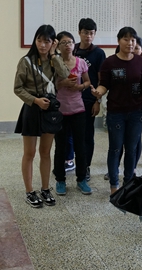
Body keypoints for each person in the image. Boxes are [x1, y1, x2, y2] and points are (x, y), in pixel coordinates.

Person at [14, 24, 69, 208]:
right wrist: (35, 100)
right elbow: (18, 88)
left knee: (45, 152)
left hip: (50, 110)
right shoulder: (26, 61)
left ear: (53, 43)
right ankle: (29, 191)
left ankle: (45, 188)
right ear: (35, 40)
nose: (42, 45)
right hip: (32, 108)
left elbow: (65, 74)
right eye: (39, 40)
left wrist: (54, 55)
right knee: (29, 153)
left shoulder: (55, 60)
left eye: (47, 41)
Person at [91, 27, 142, 194]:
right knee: (115, 149)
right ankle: (114, 186)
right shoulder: (109, 62)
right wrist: (98, 93)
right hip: (116, 112)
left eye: (133, 40)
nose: (130, 43)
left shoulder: (140, 62)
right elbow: (104, 85)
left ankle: (128, 183)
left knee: (132, 149)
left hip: (135, 112)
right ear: (118, 41)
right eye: (126, 39)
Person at [53, 31, 92, 196]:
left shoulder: (81, 62)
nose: (67, 45)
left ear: (74, 45)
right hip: (60, 111)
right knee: (60, 147)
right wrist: (62, 83)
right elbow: (50, 85)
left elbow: (88, 81)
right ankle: (60, 180)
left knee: (80, 146)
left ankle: (81, 179)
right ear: (58, 46)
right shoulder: (54, 63)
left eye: (70, 42)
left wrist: (80, 87)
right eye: (63, 43)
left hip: (78, 110)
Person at [73, 18, 106, 182]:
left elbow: (101, 80)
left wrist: (97, 101)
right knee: (70, 135)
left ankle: (85, 166)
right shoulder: (73, 50)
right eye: (85, 33)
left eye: (91, 33)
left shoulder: (99, 53)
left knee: (87, 135)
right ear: (79, 32)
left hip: (88, 100)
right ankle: (70, 162)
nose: (88, 36)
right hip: (70, 100)